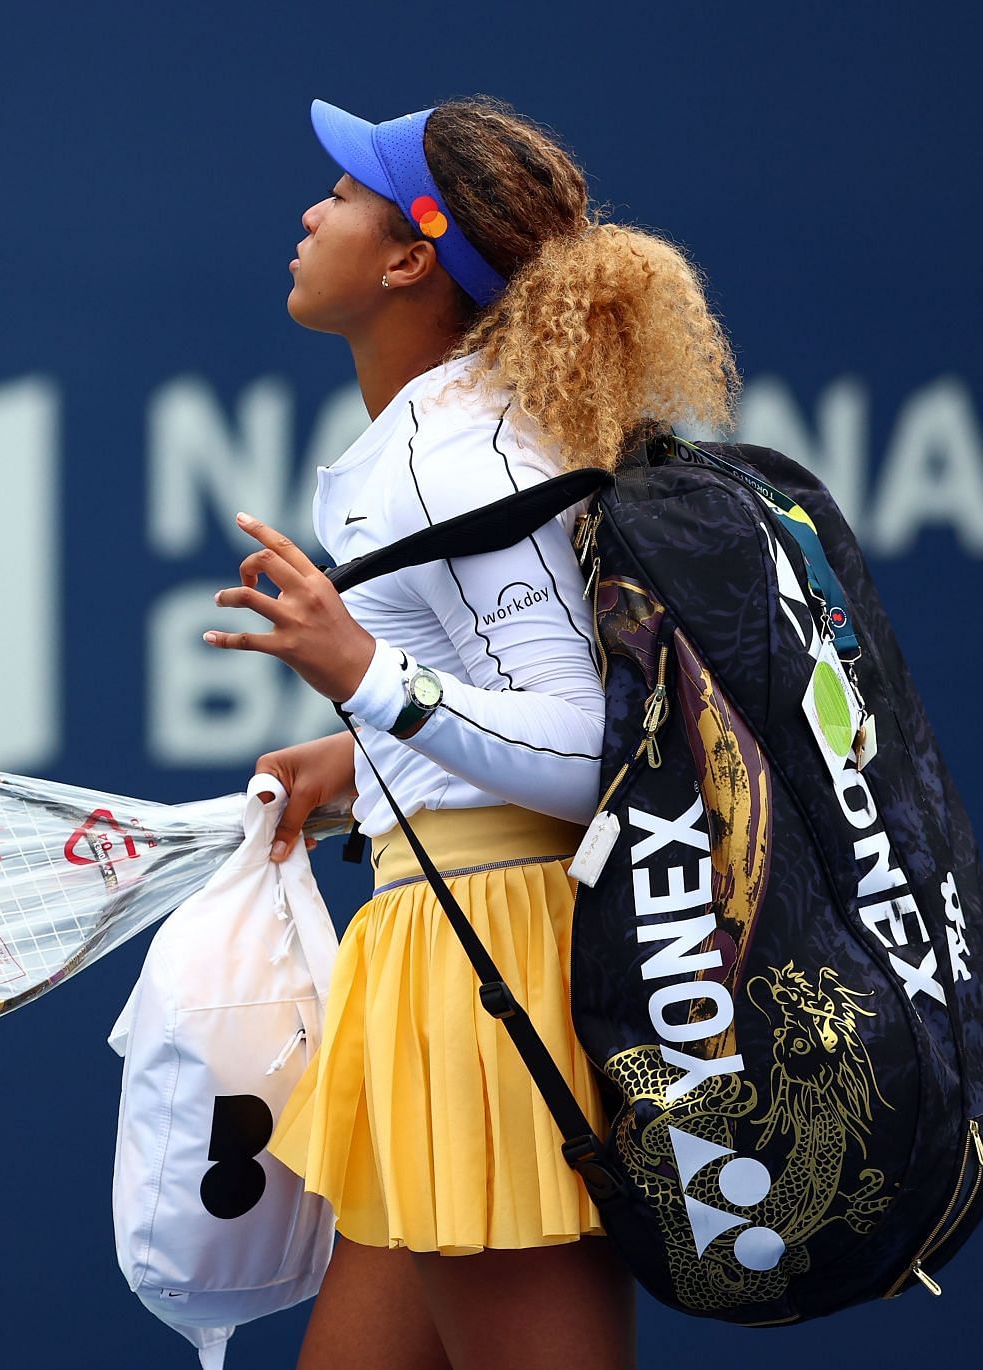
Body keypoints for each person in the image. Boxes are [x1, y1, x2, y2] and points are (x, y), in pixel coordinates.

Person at [202, 96, 739, 1369]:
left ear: (408, 259)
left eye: (341, 194)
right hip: (436, 952)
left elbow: (585, 753)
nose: (308, 211)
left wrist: (369, 680)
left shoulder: (456, 448)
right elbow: (506, 694)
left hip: (491, 968)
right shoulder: (452, 432)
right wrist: (362, 761)